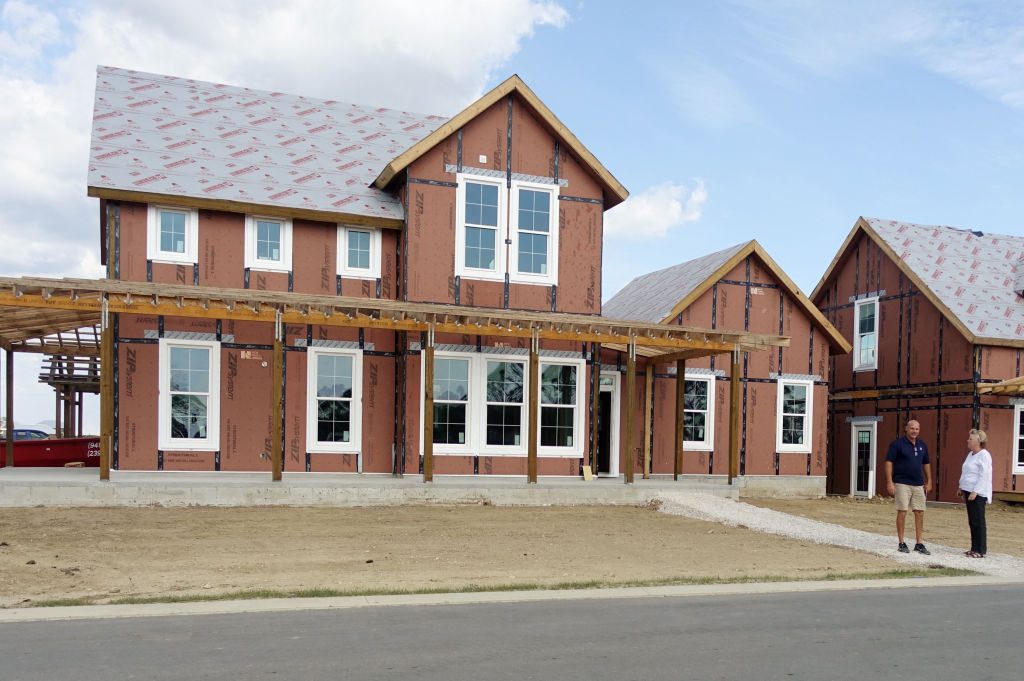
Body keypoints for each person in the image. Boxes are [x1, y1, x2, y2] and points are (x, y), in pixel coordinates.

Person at [884, 419, 932, 555]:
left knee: (920, 512)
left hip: (918, 484)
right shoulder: (897, 444)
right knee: (902, 511)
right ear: (906, 429)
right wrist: (889, 482)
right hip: (901, 483)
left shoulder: (923, 445)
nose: (914, 431)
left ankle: (919, 543)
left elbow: (926, 463)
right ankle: (901, 542)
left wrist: (929, 481)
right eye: (912, 428)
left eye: (917, 429)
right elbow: (888, 462)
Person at [958, 429, 993, 558]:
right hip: (967, 490)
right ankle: (974, 548)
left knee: (979, 521)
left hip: (977, 493)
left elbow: (984, 475)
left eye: (971, 439)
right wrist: (960, 486)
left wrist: (976, 491)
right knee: (972, 521)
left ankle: (980, 550)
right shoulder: (971, 454)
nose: (968, 440)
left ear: (978, 441)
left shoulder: (984, 455)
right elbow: (966, 471)